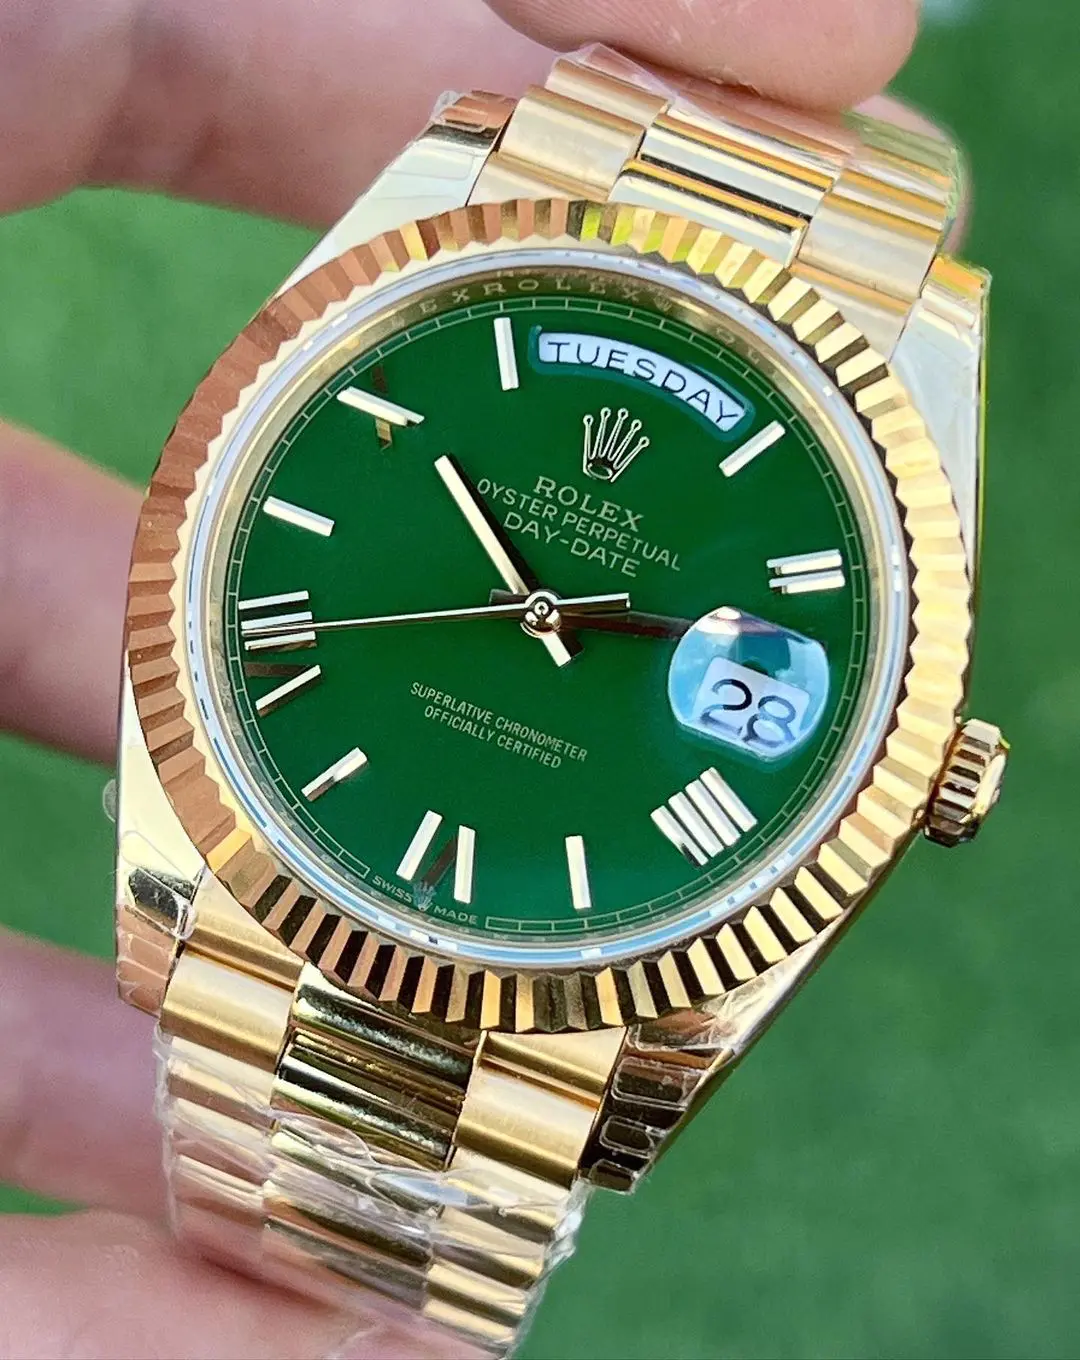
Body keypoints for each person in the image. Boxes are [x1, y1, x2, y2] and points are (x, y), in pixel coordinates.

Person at [0, 1, 942, 1355]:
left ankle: (384, 1295)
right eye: (531, 607)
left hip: (535, 922)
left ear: (927, 770)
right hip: (321, 829)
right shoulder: (440, 242)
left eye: (543, 615)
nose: (540, 615)